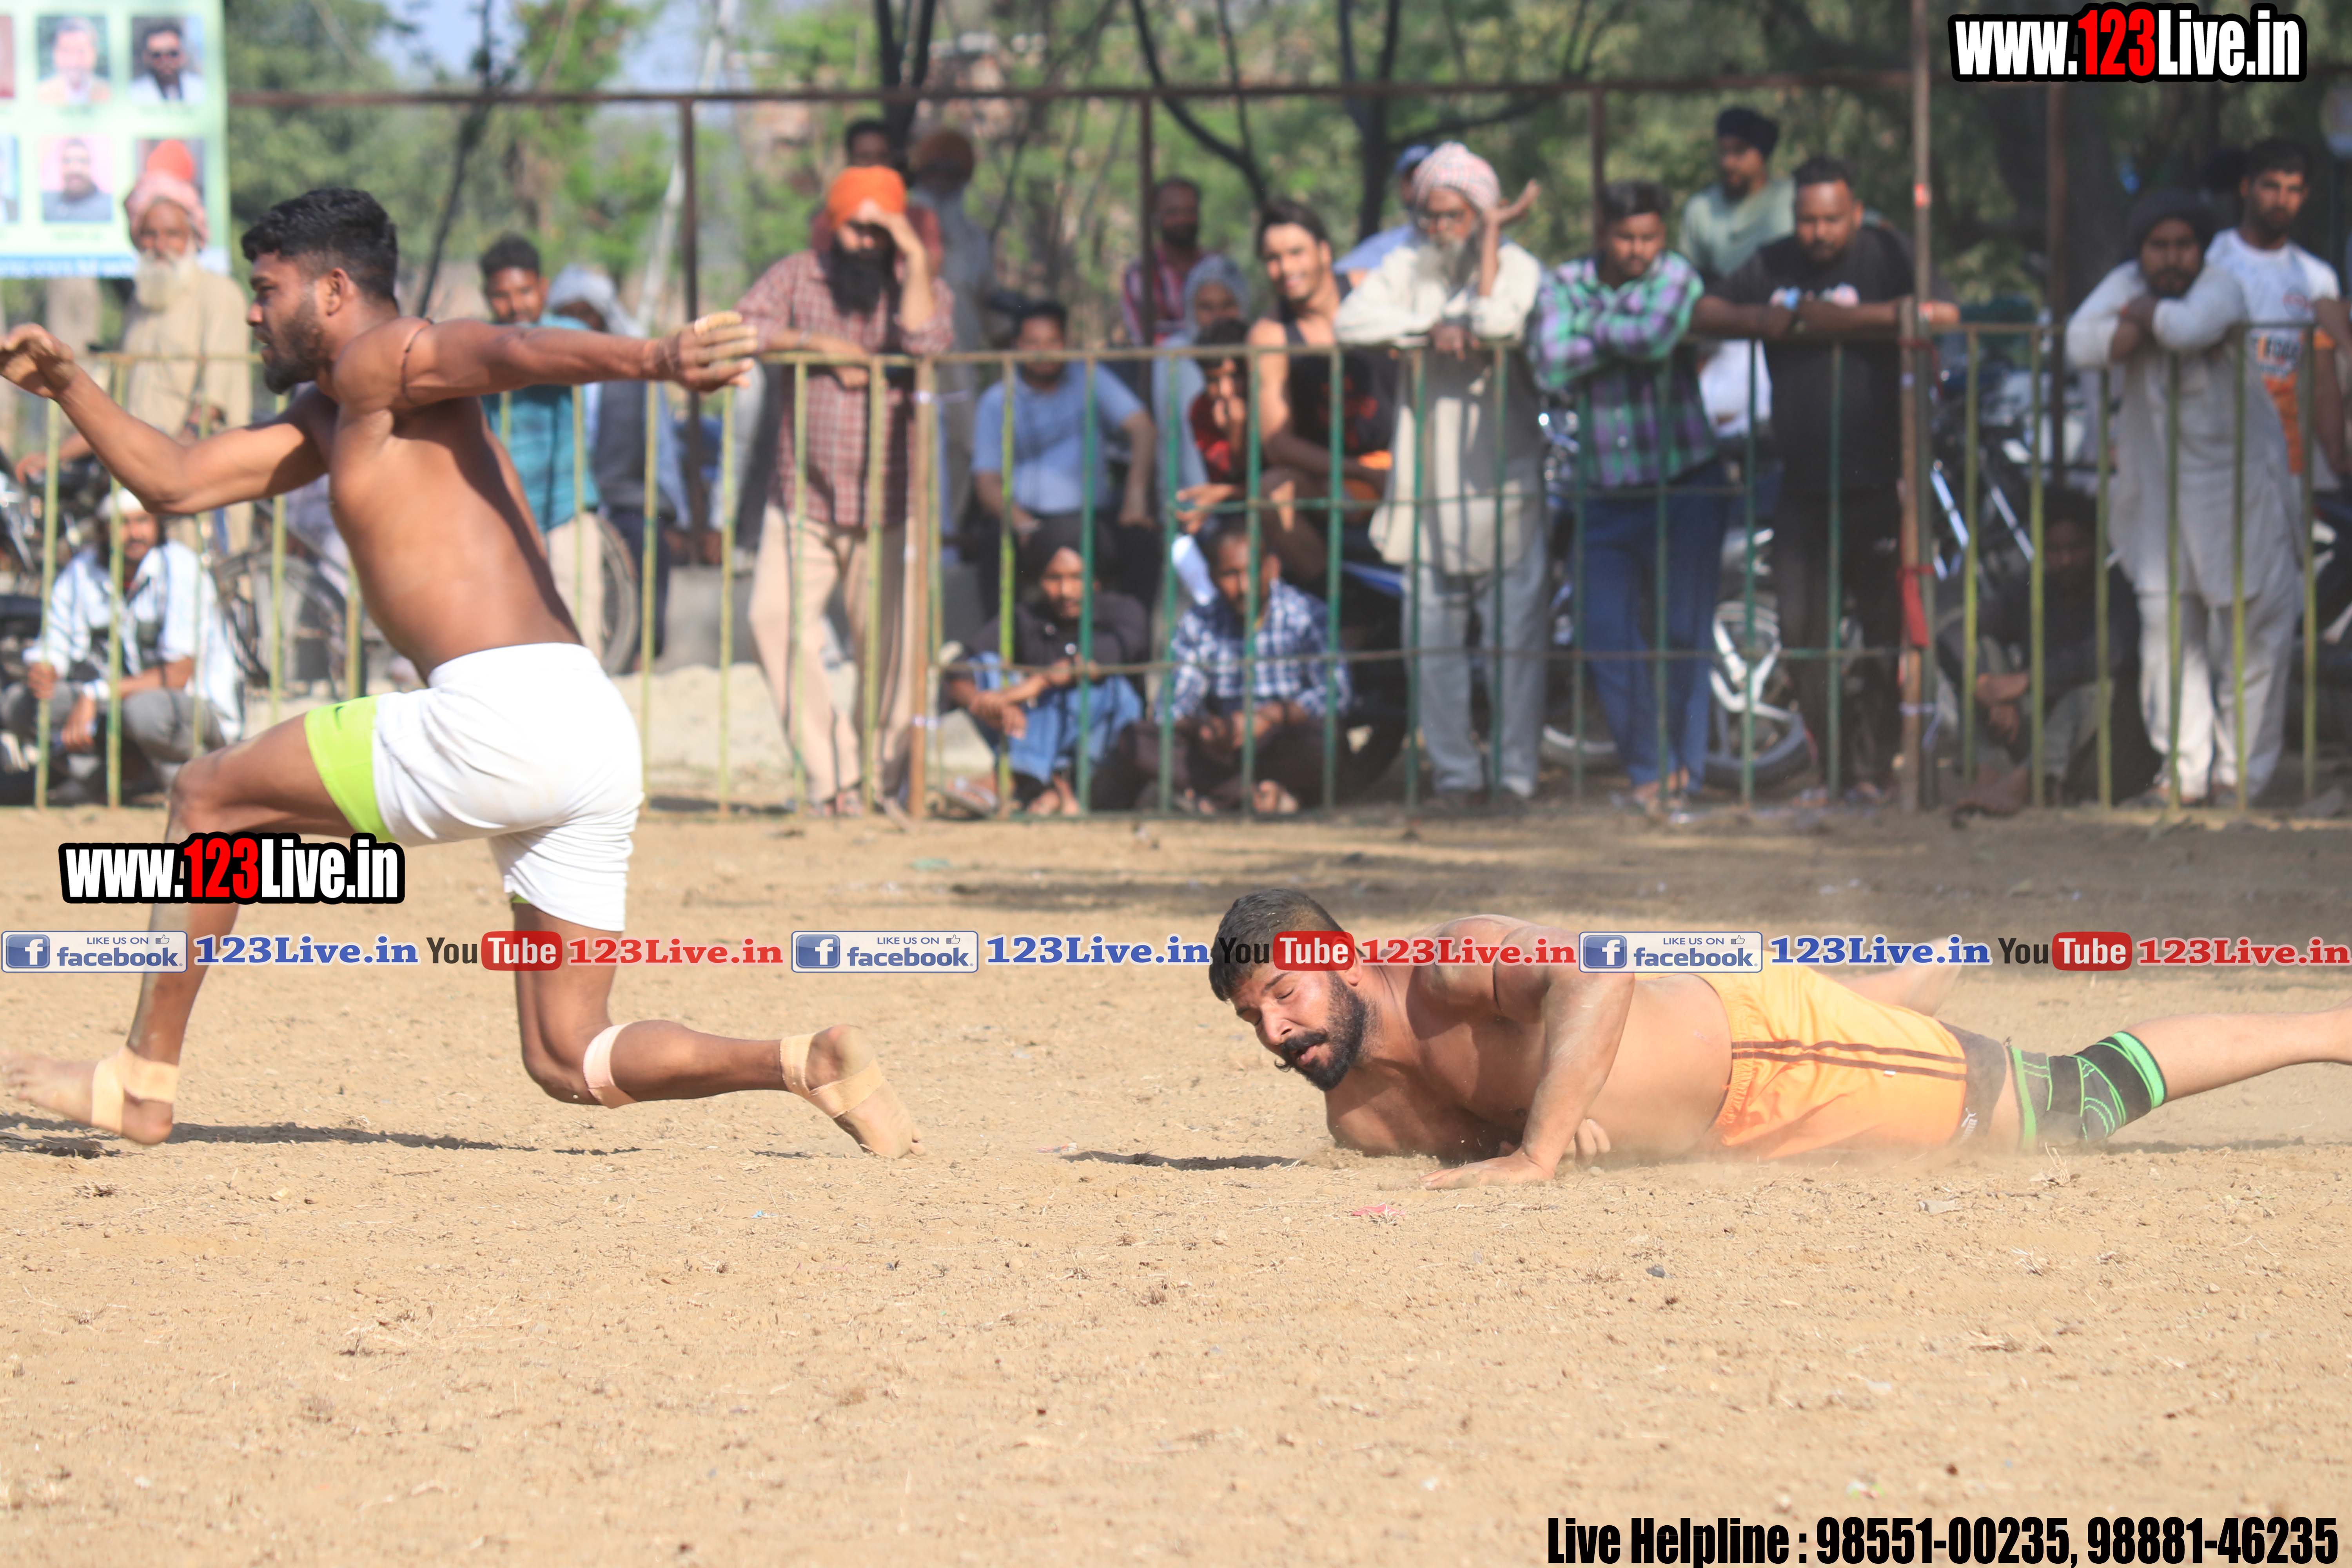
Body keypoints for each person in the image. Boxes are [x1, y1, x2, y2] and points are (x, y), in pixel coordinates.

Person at [0, 187, 922, 1155]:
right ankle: (805, 1061)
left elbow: (504, 349)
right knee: (569, 1054)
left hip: (500, 717)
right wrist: (69, 384)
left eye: (266, 290)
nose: (251, 313)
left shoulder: (383, 355)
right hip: (589, 727)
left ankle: (139, 1082)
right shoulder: (336, 410)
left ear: (333, 289)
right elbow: (175, 481)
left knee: (208, 794)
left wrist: (654, 359)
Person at [1207, 888, 2352, 1186]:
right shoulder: (1361, 1115)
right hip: (1730, 1084)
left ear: (1339, 957)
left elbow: (1598, 965)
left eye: (1285, 994)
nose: (1275, 1029)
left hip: (1775, 1057)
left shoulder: (1453, 961)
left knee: (2069, 1100)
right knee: (1858, 1020)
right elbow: (1490, 1132)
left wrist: (1541, 1148)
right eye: (1254, 1014)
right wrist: (1556, 1119)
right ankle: (1905, 981)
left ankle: (2332, 1026)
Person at [1695, 155, 1960, 803]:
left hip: (1882, 481)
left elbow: (1944, 313)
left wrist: (1854, 322)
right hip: (1803, 483)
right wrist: (1758, 322)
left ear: (1856, 213)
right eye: (1807, 220)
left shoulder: (1887, 252)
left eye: (1831, 220)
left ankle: (1874, 771)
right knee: (1801, 635)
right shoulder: (1775, 261)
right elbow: (1703, 311)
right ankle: (1834, 770)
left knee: (1883, 636)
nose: (1818, 233)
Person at [2065, 190, 2299, 809]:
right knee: (2168, 643)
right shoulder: (2125, 283)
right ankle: (2185, 775)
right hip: (2159, 504)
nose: (2172, 258)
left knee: (2252, 640)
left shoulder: (2220, 287)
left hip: (2239, 497)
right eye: (2159, 246)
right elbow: (2080, 342)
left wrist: (2142, 318)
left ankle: (2239, 779)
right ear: (2141, 251)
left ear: (2201, 250)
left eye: (2183, 246)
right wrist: (2145, 322)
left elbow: (2189, 328)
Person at [1334, 143, 1546, 811]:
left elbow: (1500, 321)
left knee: (1515, 642)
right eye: (1429, 215)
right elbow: (1350, 320)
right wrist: (1430, 327)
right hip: (1428, 487)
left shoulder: (1518, 267)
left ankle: (1515, 778)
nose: (1439, 228)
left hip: (1504, 485)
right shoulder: (1408, 264)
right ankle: (1456, 776)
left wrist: (1488, 254)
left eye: (1455, 215)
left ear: (1482, 214)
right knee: (1431, 645)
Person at [736, 165, 953, 815]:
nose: (866, 240)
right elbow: (741, 326)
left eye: (880, 229)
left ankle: (881, 784)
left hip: (890, 503)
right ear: (833, 224)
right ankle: (834, 780)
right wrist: (816, 344)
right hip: (804, 497)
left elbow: (927, 342)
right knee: (771, 621)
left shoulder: (918, 284)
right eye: (856, 226)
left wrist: (913, 256)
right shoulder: (797, 275)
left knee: (890, 652)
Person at [1533, 178, 1724, 812]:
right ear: (1601, 232)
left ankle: (1682, 777)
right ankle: (1650, 768)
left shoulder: (1677, 274)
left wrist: (1592, 330)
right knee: (1605, 632)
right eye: (1625, 237)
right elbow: (1550, 360)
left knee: (1683, 634)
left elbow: (1656, 339)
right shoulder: (1564, 280)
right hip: (1604, 491)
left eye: (1649, 237)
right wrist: (1625, 329)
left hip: (1684, 482)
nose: (1639, 250)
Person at [16, 171, 252, 555]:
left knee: (202, 581)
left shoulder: (220, 295)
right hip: (140, 478)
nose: (160, 245)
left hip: (202, 478)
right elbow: (107, 405)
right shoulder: (138, 308)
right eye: (149, 234)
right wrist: (53, 458)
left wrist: (176, 461)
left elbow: (214, 401)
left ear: (194, 236)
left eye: (172, 234)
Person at [1096, 519, 1348, 815]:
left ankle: (1223, 797)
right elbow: (1170, 708)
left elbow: (1337, 694)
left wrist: (1269, 717)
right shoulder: (1199, 623)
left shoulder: (1306, 613)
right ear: (1212, 576)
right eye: (1230, 575)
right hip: (1222, 748)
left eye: (1251, 571)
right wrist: (1206, 729)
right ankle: (1257, 796)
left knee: (1326, 742)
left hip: (1283, 739)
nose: (1243, 587)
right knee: (1138, 740)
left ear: (1272, 568)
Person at [1, 493, 241, 802]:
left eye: (142, 521)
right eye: (123, 524)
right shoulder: (81, 571)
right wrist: (45, 669)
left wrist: (97, 693)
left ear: (157, 524)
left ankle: (190, 777)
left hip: (187, 710)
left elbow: (178, 674)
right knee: (19, 704)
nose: (135, 533)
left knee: (141, 711)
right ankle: (104, 778)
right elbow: (56, 641)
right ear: (103, 530)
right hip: (112, 707)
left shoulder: (181, 568)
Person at [1947, 499, 2152, 815]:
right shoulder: (2034, 588)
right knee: (1981, 657)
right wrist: (1990, 688)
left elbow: (2113, 653)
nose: (2065, 560)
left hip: (2101, 748)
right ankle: (1987, 772)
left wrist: (2026, 681)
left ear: (2096, 547)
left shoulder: (2117, 590)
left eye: (2075, 548)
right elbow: (1959, 631)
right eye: (2054, 550)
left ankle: (2026, 781)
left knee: (2097, 688)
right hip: (2041, 729)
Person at [941, 521, 1149, 815]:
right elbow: (961, 666)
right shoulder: (1028, 618)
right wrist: (986, 703)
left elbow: (1093, 663)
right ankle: (1048, 787)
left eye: (1077, 577)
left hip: (1097, 742)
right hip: (1022, 727)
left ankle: (1010, 780)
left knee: (1098, 686)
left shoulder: (1123, 612)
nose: (1066, 591)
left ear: (1096, 579)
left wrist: (1028, 688)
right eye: (1054, 578)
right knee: (987, 664)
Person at [1245, 199, 1397, 588]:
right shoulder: (1270, 335)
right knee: (1272, 492)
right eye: (1273, 258)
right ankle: (1341, 602)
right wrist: (1360, 471)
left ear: (1324, 252)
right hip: (1338, 479)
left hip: (1409, 461)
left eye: (1296, 252)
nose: (1286, 269)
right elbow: (1277, 443)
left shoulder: (1371, 289)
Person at [969, 302, 1157, 612]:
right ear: (1016, 346)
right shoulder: (996, 400)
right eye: (1033, 343)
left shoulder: (1089, 377)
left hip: (1091, 520)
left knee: (1142, 542)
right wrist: (1022, 523)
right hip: (1030, 523)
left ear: (1066, 343)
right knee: (994, 546)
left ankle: (1134, 638)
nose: (1043, 352)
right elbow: (987, 481)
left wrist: (1135, 495)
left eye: (1052, 341)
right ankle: (1000, 641)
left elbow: (1142, 428)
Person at [477, 234, 612, 661]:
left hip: (565, 512)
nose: (515, 305)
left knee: (580, 640)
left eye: (524, 292)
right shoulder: (479, 345)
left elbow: (585, 353)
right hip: (502, 518)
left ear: (544, 288)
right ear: (487, 297)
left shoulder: (567, 335)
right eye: (502, 296)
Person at [545, 264, 688, 658]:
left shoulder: (634, 371)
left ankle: (644, 651)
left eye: (585, 314)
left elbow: (661, 446)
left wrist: (678, 514)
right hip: (562, 498)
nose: (578, 325)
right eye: (567, 315)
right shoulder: (544, 374)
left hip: (622, 496)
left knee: (648, 538)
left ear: (603, 317)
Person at [2201, 138, 2349, 486]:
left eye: (2293, 190)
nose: (2282, 200)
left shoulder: (2317, 278)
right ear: (2246, 187)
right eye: (2271, 186)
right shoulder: (2211, 260)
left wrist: (2337, 453)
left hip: (2284, 455)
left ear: (2305, 195)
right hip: (2215, 446)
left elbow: (2323, 378)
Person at [907, 127, 995, 537]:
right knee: (918, 441)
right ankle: (916, 533)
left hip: (961, 358)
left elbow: (987, 297)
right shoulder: (904, 223)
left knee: (966, 441)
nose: (943, 179)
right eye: (935, 170)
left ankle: (949, 533)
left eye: (953, 172)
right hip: (914, 357)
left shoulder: (974, 237)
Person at [1154, 252, 1250, 496]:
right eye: (1206, 307)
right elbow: (1169, 439)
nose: (1218, 316)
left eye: (1227, 305)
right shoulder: (1173, 356)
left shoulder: (1259, 349)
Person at [1679, 107, 1793, 286]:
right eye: (1723, 151)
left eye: (1739, 151)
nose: (1728, 163)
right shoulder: (1701, 208)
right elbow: (1690, 277)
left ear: (1763, 153)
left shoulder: (1792, 198)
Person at [1124, 177, 1212, 348]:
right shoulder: (1141, 273)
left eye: (1190, 211)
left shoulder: (1215, 266)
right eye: (1173, 213)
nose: (1183, 219)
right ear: (1157, 217)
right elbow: (1146, 338)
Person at [1336, 145, 1433, 286]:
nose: (1420, 185)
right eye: (1412, 178)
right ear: (1401, 186)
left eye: (1428, 176)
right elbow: (1338, 275)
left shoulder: (1464, 243)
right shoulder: (1388, 246)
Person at [36, 18, 109, 107]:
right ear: (55, 54)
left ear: (94, 53)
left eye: (81, 52)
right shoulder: (39, 95)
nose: (74, 62)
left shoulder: (110, 93)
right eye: (66, 51)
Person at [127, 20, 202, 104]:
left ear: (182, 55)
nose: (165, 61)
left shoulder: (202, 89)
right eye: (157, 55)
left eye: (172, 54)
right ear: (146, 58)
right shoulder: (133, 94)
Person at [42, 138, 114, 223]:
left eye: (82, 161)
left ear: (91, 165)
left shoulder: (110, 207)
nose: (75, 169)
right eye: (68, 161)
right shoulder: (46, 205)